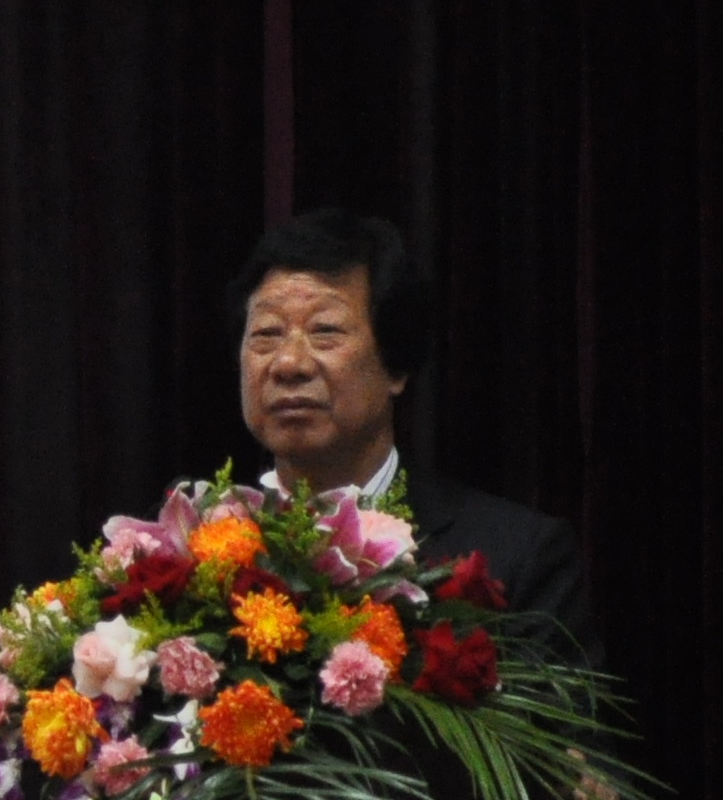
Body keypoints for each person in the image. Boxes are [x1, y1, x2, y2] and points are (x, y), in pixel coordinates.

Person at [227, 208, 594, 650]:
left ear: (396, 365)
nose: (289, 363)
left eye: (325, 331)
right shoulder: (185, 551)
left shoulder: (514, 559)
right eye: (266, 334)